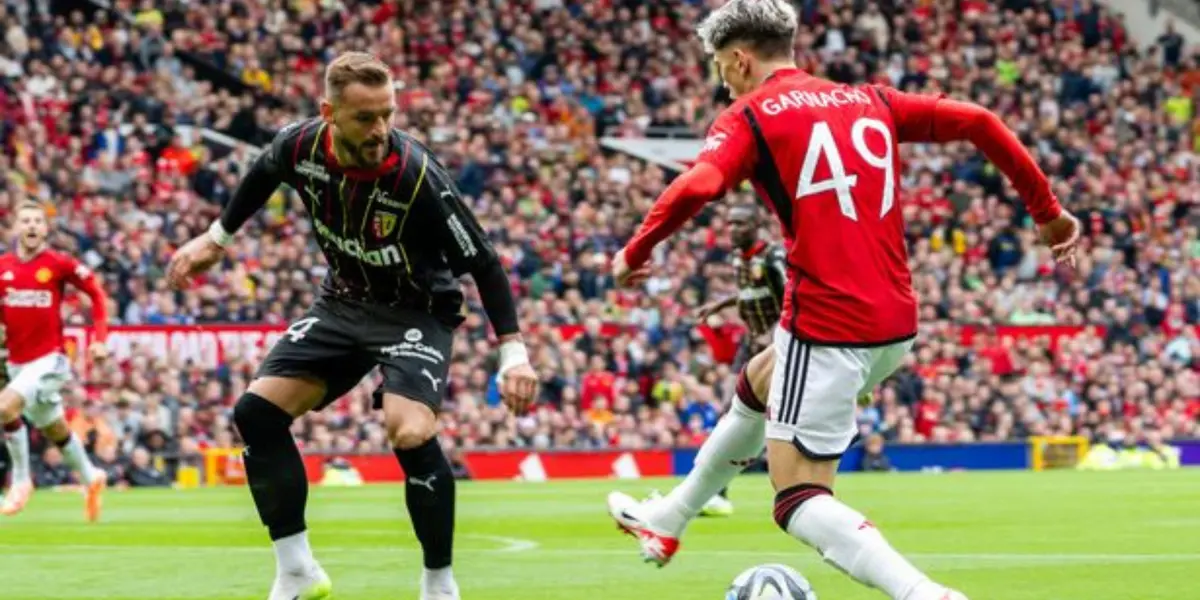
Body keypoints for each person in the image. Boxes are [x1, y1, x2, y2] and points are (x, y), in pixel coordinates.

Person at [606, 1, 1081, 599]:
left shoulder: (748, 115)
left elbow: (700, 183)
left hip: (828, 324)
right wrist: (1049, 214)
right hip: (896, 321)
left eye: (721, 68)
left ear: (740, 59)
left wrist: (636, 249)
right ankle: (671, 516)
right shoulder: (869, 100)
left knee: (798, 497)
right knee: (760, 380)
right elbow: (980, 121)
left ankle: (926, 595)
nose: (723, 82)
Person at [166, 52, 539, 600]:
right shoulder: (300, 145)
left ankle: (440, 585)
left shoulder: (417, 176)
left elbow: (483, 262)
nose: (381, 128)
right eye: (366, 117)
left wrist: (514, 352)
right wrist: (217, 239)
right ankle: (297, 571)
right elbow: (264, 171)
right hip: (343, 302)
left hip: (416, 311)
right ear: (329, 113)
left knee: (409, 431)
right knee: (256, 414)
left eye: (388, 113)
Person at [0, 201, 110, 521]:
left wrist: (100, 339)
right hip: (17, 363)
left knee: (5, 407)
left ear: (45, 228)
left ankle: (21, 481)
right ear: (16, 227)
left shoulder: (58, 263)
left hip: (51, 361)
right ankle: (91, 476)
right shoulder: (3, 267)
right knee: (55, 428)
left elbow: (96, 293)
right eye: (26, 221)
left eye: (38, 221)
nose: (32, 226)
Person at [692, 203, 787, 517]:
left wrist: (772, 335)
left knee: (762, 418)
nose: (733, 229)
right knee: (731, 413)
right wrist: (719, 305)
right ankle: (715, 492)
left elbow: (793, 299)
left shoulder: (772, 257)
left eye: (740, 224)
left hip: (778, 348)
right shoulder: (738, 258)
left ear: (756, 226)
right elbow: (749, 293)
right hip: (751, 345)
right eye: (730, 223)